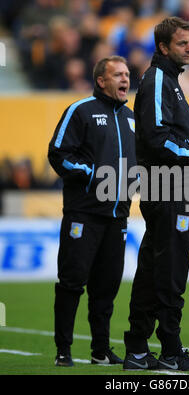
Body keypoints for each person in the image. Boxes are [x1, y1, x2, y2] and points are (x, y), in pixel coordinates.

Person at [123, 17, 189, 372]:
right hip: (169, 184)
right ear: (163, 47)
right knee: (171, 268)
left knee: (154, 266)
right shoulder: (159, 79)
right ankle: (171, 352)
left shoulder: (167, 80)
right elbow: (156, 135)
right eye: (182, 43)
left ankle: (138, 348)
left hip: (170, 185)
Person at [48, 56, 136, 367]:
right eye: (118, 75)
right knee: (72, 282)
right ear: (101, 80)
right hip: (83, 214)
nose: (125, 79)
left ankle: (101, 350)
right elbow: (58, 153)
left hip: (117, 218)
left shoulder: (131, 118)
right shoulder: (80, 110)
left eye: (127, 74)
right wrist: (93, 173)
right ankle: (64, 350)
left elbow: (135, 167)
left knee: (107, 287)